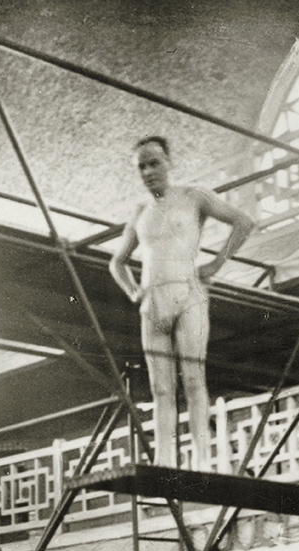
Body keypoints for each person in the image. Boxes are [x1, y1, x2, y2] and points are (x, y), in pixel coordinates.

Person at [109, 135, 254, 470]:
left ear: (169, 162)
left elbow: (243, 222)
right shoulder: (140, 211)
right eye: (141, 166)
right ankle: (164, 460)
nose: (148, 171)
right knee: (160, 387)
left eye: (154, 162)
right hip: (152, 303)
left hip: (188, 294)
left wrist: (217, 264)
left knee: (192, 379)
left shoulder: (193, 196)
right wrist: (134, 291)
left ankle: (203, 460)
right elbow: (117, 262)